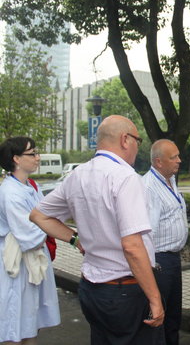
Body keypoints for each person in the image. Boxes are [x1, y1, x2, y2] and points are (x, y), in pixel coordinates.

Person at [29, 115, 165, 345]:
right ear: (125, 140)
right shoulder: (125, 177)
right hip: (125, 290)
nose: (137, 148)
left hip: (92, 290)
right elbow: (132, 246)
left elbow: (38, 215)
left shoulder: (77, 175)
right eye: (137, 141)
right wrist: (155, 298)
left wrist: (75, 239)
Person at [0, 137, 60, 344]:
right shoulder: (10, 192)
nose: (38, 157)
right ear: (16, 158)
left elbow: (45, 216)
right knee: (15, 325)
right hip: (17, 265)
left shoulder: (29, 186)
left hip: (31, 262)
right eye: (32, 153)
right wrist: (55, 229)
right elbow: (29, 234)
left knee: (30, 324)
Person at [143, 139, 187, 345]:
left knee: (172, 317)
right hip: (159, 262)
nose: (179, 160)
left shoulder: (170, 180)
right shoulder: (149, 187)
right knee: (159, 318)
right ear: (159, 162)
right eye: (174, 157)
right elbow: (147, 233)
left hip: (172, 260)